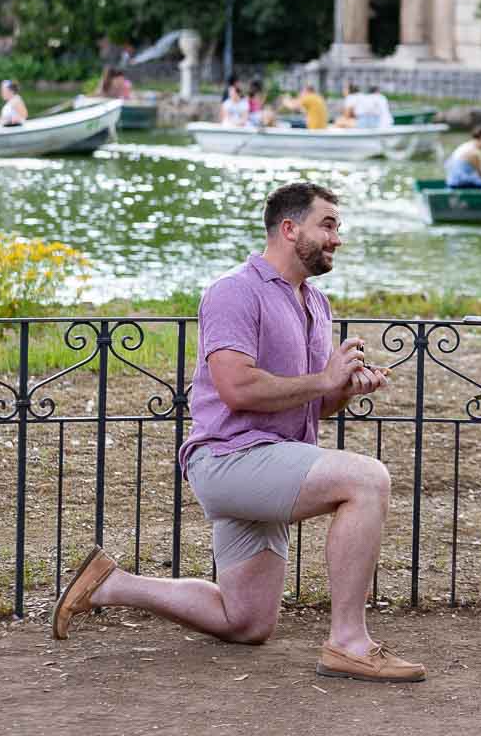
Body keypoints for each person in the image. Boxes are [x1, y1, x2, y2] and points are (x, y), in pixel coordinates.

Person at [50, 181, 426, 684]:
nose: (337, 238)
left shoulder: (315, 302)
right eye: (329, 225)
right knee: (367, 479)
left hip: (273, 461)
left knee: (245, 621)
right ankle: (349, 643)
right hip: (229, 461)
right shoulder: (235, 291)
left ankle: (112, 584)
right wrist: (324, 379)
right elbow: (236, 388)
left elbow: (310, 401)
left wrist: (342, 390)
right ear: (290, 229)